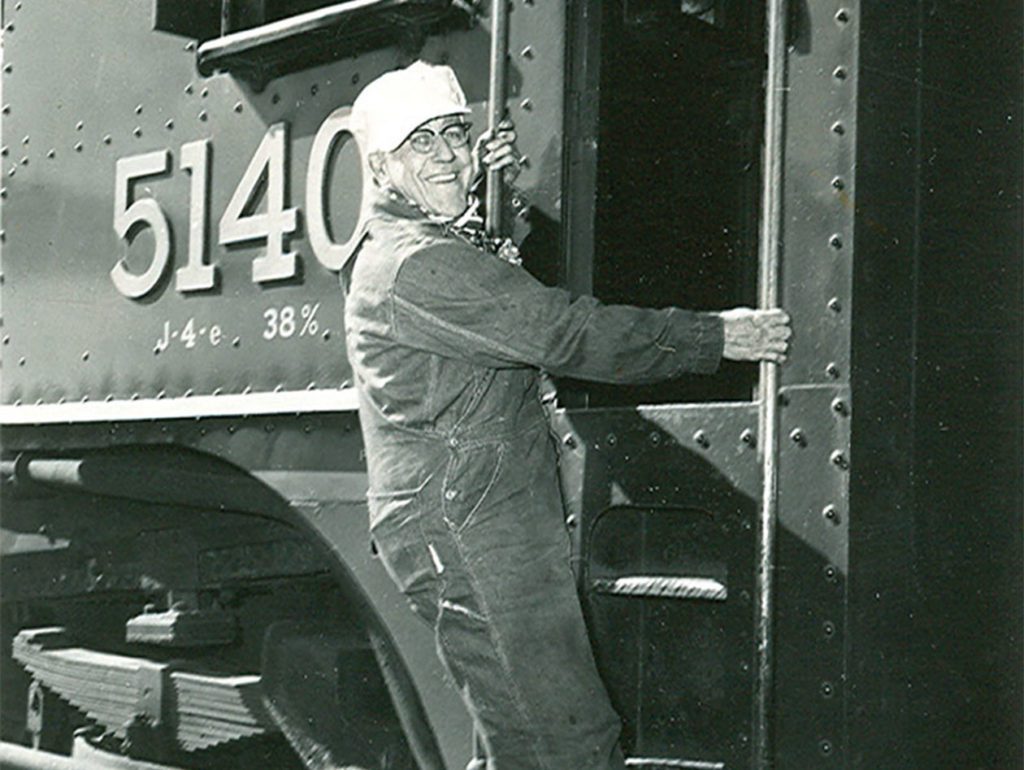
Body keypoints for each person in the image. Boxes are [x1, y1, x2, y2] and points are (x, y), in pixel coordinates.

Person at [344, 61, 790, 770]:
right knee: (567, 743)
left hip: (476, 515)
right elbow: (563, 332)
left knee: (517, 736)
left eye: (454, 137)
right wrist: (714, 336)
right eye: (420, 145)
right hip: (470, 526)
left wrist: (489, 204)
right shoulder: (419, 265)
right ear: (380, 167)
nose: (448, 157)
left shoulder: (427, 245)